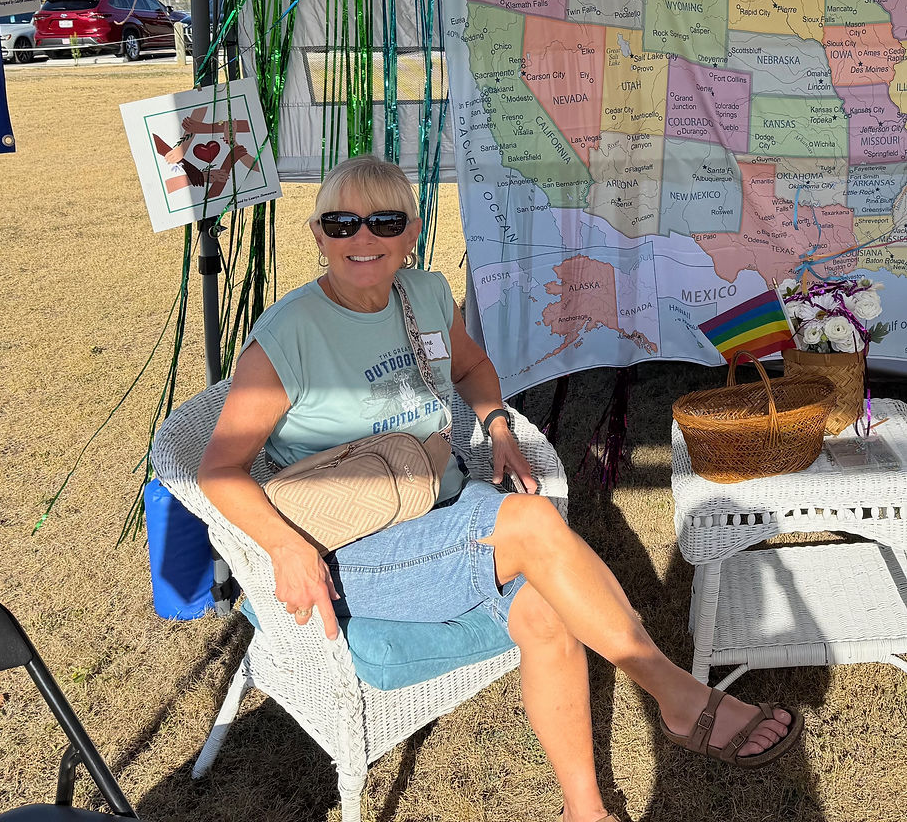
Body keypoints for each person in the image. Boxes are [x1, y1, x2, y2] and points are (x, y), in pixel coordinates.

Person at [199, 154, 803, 822]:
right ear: (318, 235)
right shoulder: (289, 335)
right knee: (534, 523)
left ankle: (586, 811)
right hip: (355, 550)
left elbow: (472, 363)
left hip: (442, 504)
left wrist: (496, 423)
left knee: (546, 606)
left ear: (411, 233)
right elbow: (218, 470)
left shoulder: (423, 294)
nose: (361, 238)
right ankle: (676, 694)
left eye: (383, 221)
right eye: (341, 223)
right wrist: (284, 548)